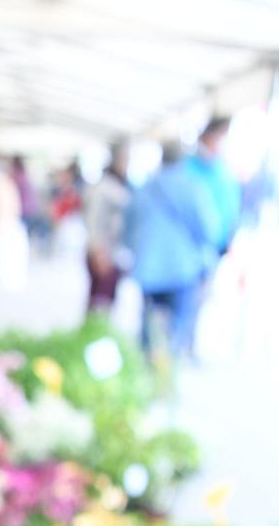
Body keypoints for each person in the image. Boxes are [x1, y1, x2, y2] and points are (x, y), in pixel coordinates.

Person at [124, 141, 220, 361]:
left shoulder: (146, 186)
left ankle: (149, 365)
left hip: (148, 266)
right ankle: (168, 369)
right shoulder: (193, 187)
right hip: (183, 267)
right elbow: (209, 229)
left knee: (150, 324)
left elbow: (129, 225)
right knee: (177, 326)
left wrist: (134, 250)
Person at [83, 142, 132, 317]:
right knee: (99, 301)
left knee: (106, 300)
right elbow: (94, 220)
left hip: (113, 252)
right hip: (103, 252)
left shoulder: (120, 185)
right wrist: (98, 250)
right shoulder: (104, 187)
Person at [186, 116, 240, 257]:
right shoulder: (186, 168)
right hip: (191, 252)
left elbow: (232, 210)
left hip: (218, 249)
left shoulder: (224, 172)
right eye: (219, 136)